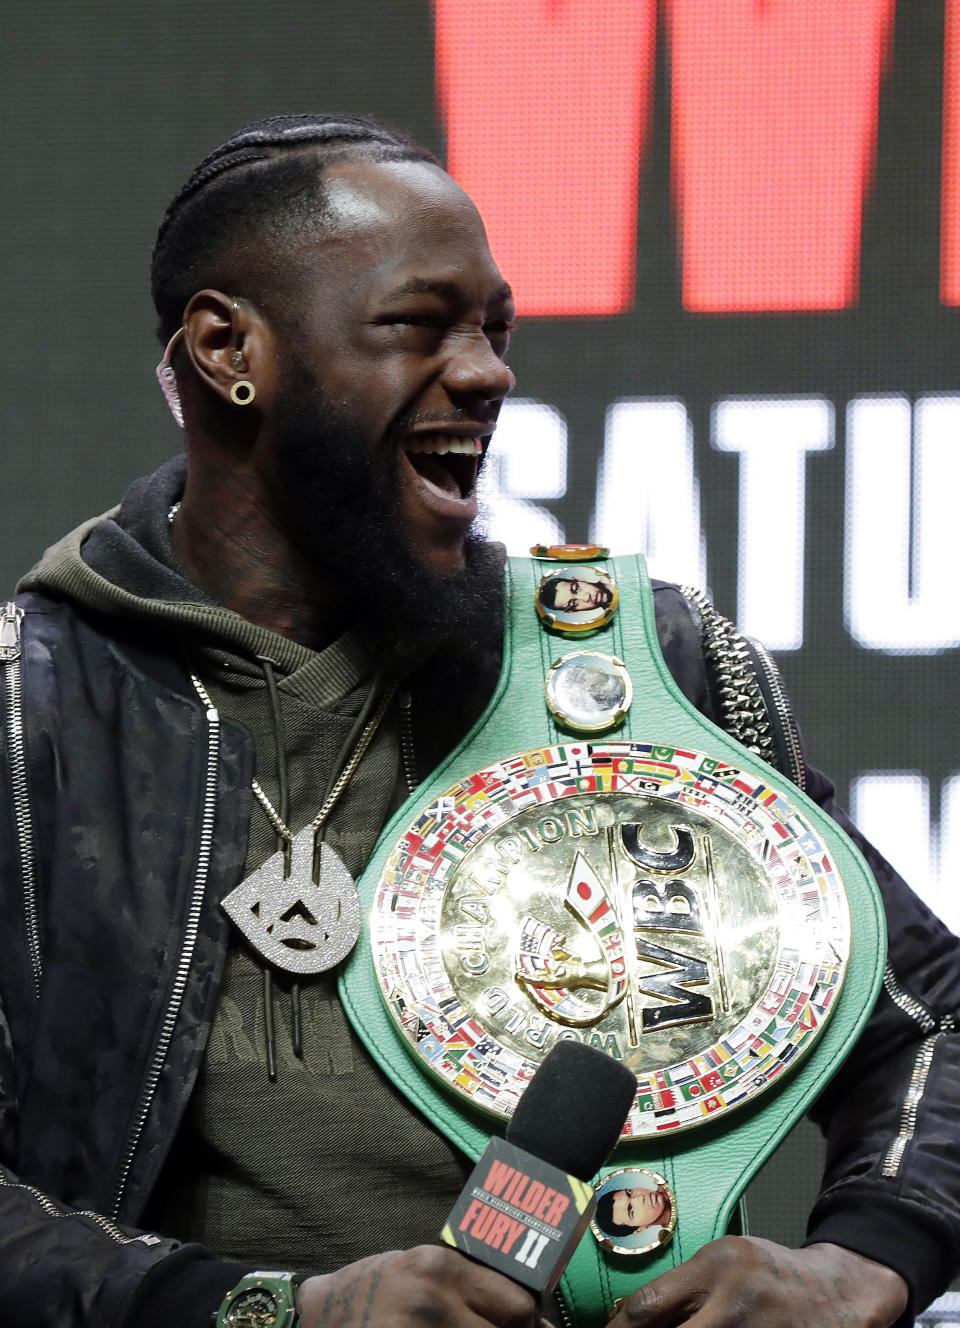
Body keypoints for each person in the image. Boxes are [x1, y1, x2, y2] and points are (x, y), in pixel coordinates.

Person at [0, 112, 956, 1328]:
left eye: (496, 330)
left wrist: (866, 1258)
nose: (489, 371)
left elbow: (936, 1016)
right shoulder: (31, 718)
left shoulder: (630, 673)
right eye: (419, 325)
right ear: (228, 347)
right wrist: (277, 1310)